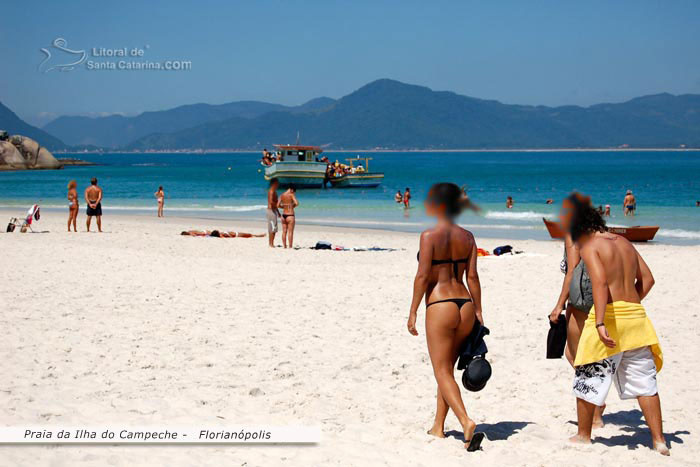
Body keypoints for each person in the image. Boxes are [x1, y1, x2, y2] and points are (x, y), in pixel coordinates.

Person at [562, 193, 668, 455]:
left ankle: (584, 435)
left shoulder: (590, 245)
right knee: (645, 383)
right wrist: (630, 302)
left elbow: (598, 282)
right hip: (636, 318)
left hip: (607, 317)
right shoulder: (625, 243)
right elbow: (648, 280)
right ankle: (659, 441)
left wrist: (599, 321)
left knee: (588, 374)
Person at [407, 182, 484, 451]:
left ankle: (465, 422)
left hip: (440, 303)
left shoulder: (429, 236)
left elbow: (423, 276)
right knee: (447, 371)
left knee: (441, 370)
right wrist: (479, 310)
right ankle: (438, 427)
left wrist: (413, 310)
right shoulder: (468, 236)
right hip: (464, 303)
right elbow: (472, 277)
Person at [549, 231, 605, 428]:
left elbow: (572, 270)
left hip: (580, 301)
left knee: (577, 356)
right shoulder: (602, 236)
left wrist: (560, 304)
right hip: (602, 298)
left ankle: (596, 411)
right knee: (586, 355)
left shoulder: (573, 235)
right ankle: (597, 404)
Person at [267, 178, 281, 247]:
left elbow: (274, 202)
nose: (278, 184)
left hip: (274, 210)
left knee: (273, 228)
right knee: (272, 228)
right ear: (274, 183)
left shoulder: (274, 191)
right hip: (271, 210)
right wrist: (279, 206)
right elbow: (271, 202)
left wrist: (278, 212)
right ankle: (271, 243)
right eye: (277, 183)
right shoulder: (271, 191)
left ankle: (271, 243)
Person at [180, 230, 264, 238]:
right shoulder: (195, 232)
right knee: (249, 235)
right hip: (233, 234)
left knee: (249, 235)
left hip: (231, 234)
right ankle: (257, 235)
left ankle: (256, 235)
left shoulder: (194, 232)